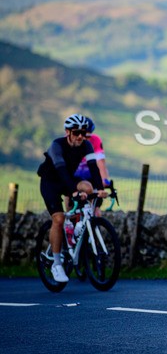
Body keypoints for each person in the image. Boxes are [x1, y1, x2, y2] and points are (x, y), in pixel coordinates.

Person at [37, 114, 107, 283]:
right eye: (77, 133)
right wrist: (73, 192)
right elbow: (61, 171)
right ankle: (56, 263)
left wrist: (99, 189)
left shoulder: (86, 145)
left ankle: (81, 223)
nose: (81, 137)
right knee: (59, 218)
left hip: (68, 179)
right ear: (67, 132)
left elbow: (94, 168)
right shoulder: (57, 146)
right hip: (51, 182)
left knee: (88, 187)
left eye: (84, 133)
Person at [74, 117, 112, 215]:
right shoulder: (71, 141)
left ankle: (93, 225)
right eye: (83, 135)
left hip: (90, 176)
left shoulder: (95, 140)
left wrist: (105, 181)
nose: (86, 139)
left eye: (88, 136)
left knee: (96, 212)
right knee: (73, 212)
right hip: (74, 176)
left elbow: (101, 163)